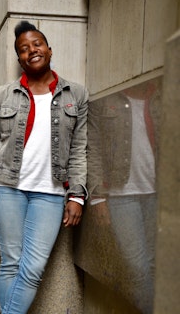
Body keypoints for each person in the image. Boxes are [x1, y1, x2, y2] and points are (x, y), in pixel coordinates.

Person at [0, 20, 88, 314]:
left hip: (51, 192)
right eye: (23, 49)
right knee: (11, 262)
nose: (31, 51)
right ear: (19, 58)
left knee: (32, 267)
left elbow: (79, 150)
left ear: (48, 49)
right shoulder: (3, 95)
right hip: (7, 189)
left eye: (36, 44)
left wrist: (77, 195)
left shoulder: (76, 95)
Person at [87, 78, 161, 313]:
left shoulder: (159, 94)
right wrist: (97, 196)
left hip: (158, 192)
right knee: (137, 267)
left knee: (153, 263)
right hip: (121, 194)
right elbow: (93, 148)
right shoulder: (108, 96)